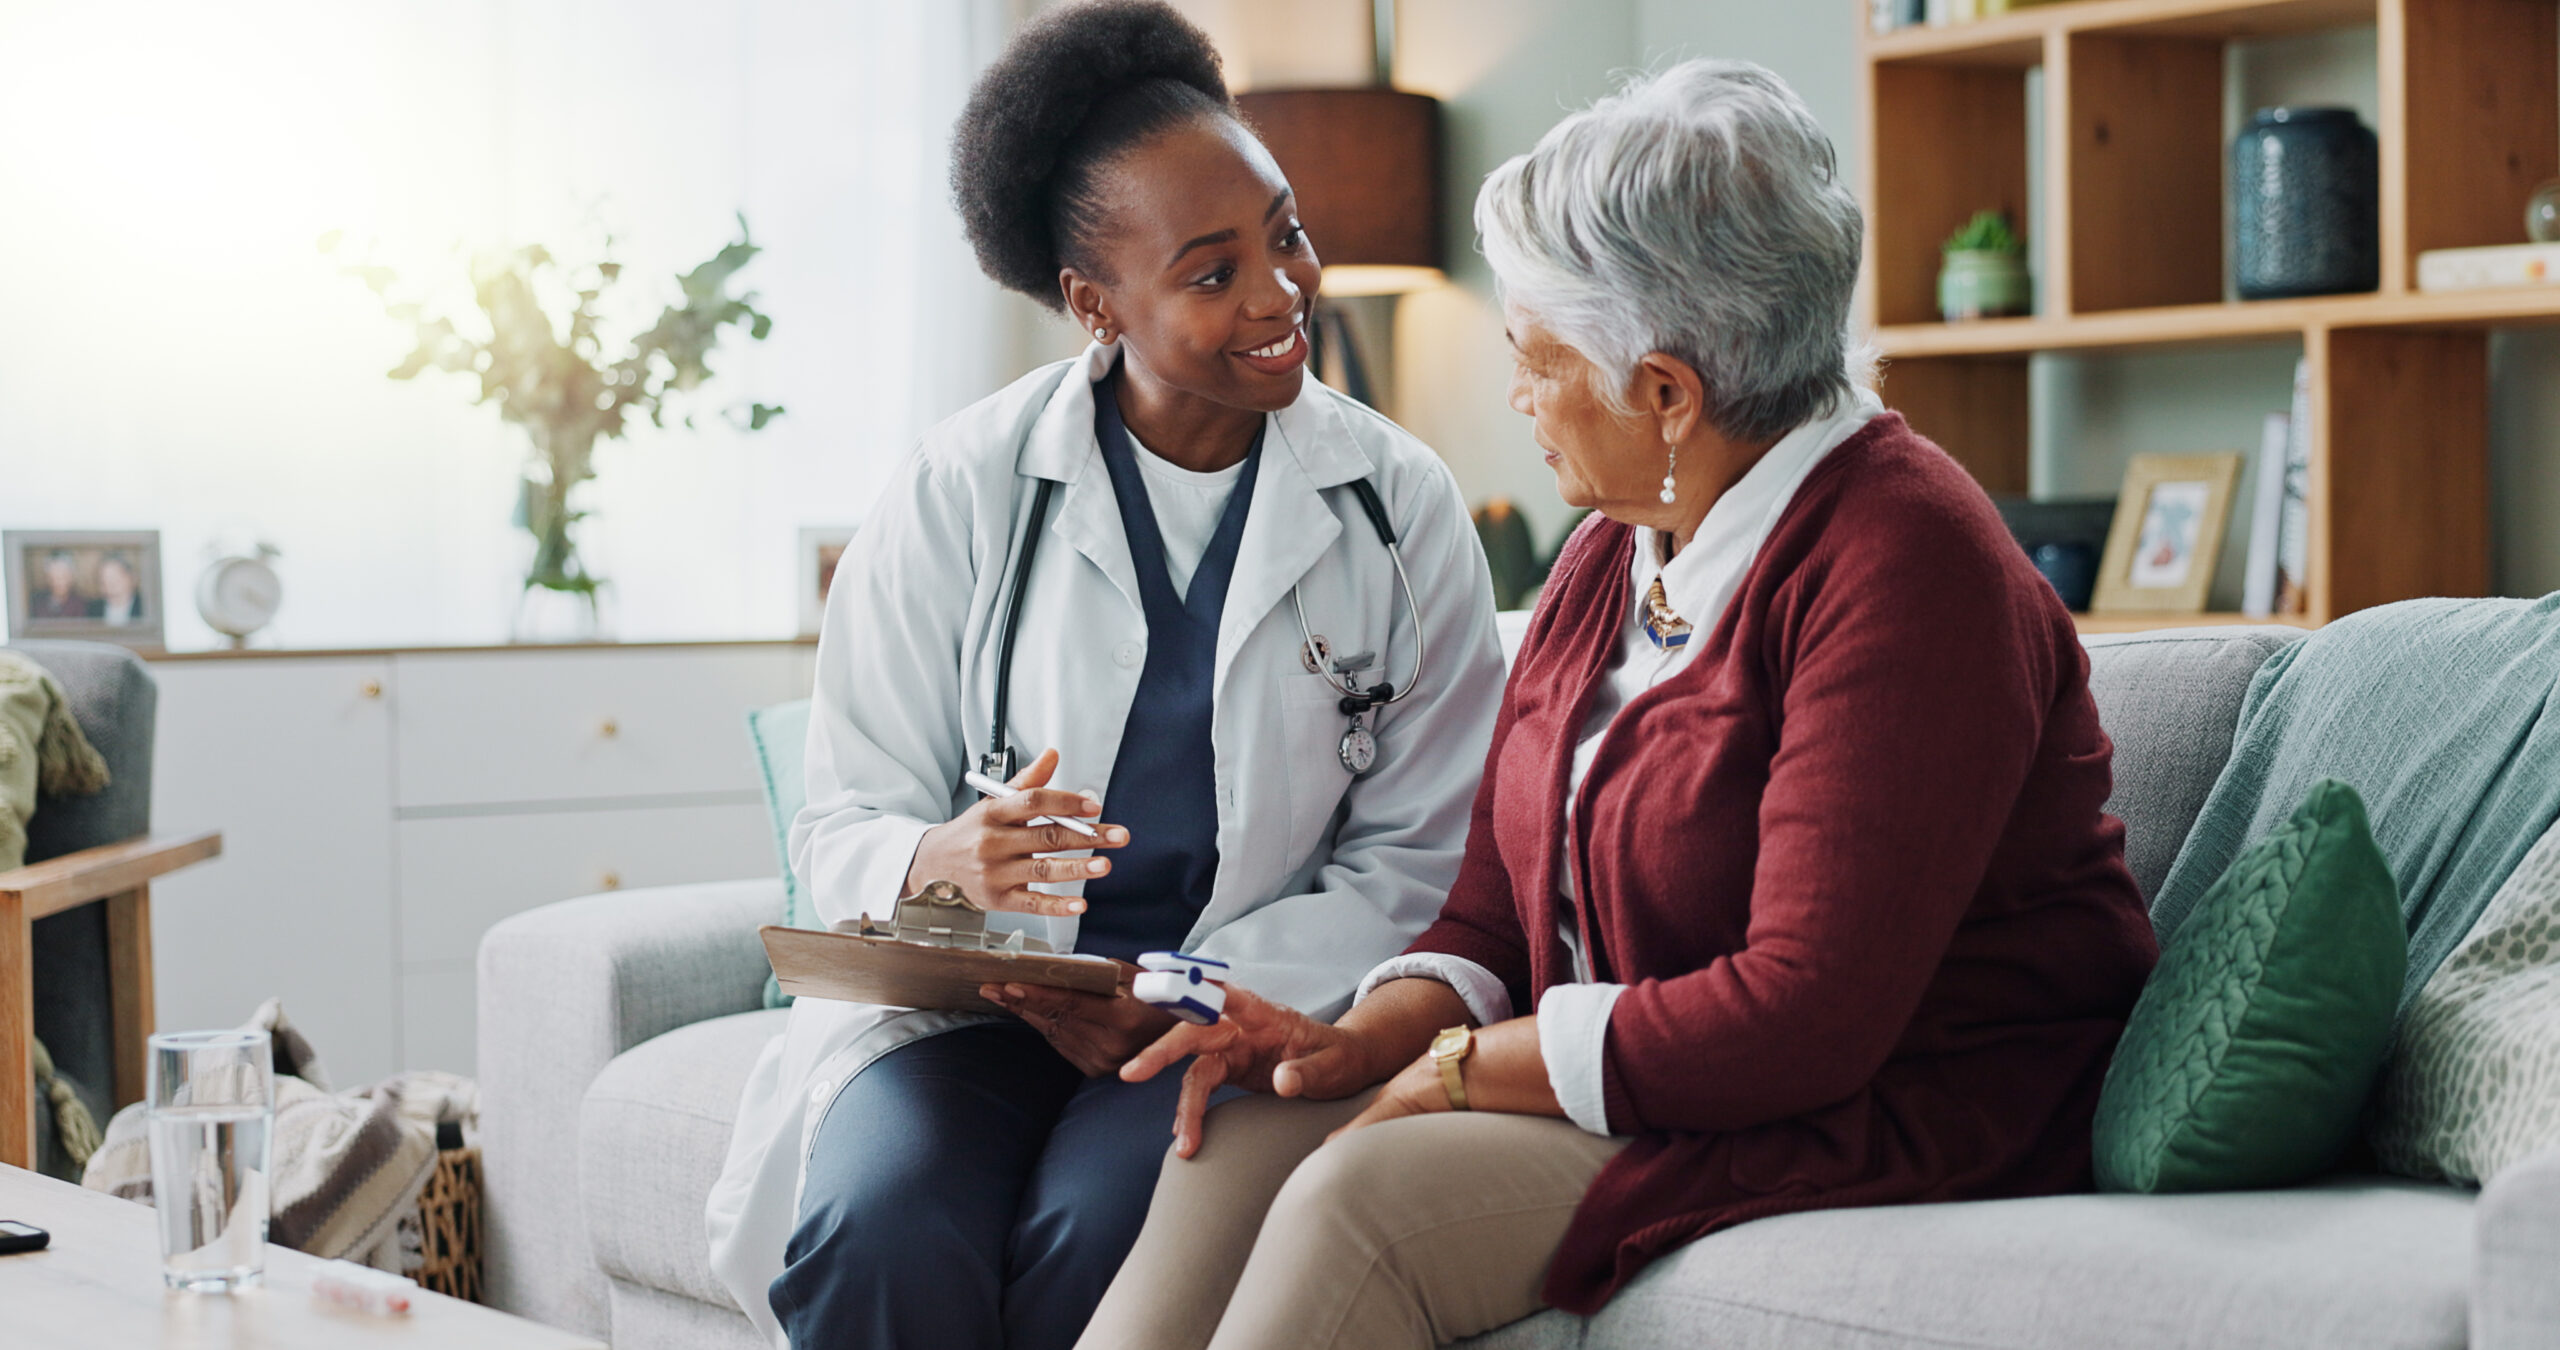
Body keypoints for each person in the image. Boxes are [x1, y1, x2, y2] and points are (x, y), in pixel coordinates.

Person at [1079, 59, 2161, 1350]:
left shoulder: (1908, 564)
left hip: (1880, 1100)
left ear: (1665, 392)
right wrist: (1352, 1043)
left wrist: (1460, 1073)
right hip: (1637, 1079)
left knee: (1361, 1198)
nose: (1520, 402)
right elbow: (1490, 907)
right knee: (1236, 1141)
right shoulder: (1617, 544)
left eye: (1535, 362)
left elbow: (1802, 1017)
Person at [702, 4, 1508, 1348]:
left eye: (1285, 234)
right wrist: (945, 862)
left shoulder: (1395, 503)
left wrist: (1185, 986)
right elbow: (841, 821)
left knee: (1102, 1231)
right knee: (884, 1222)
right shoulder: (964, 487)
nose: (1279, 294)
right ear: (1094, 303)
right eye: (1210, 274)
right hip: (973, 1006)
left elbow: (1421, 860)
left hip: (1222, 1009)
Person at [30, 550, 97, 620]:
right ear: (47, 577)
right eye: (55, 577)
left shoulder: (81, 604)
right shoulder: (37, 602)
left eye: (64, 576)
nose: (59, 582)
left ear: (71, 577)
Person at [94, 553, 144, 626]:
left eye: (115, 580)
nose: (109, 588)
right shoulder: (93, 610)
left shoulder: (144, 608)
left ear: (131, 578)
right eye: (103, 582)